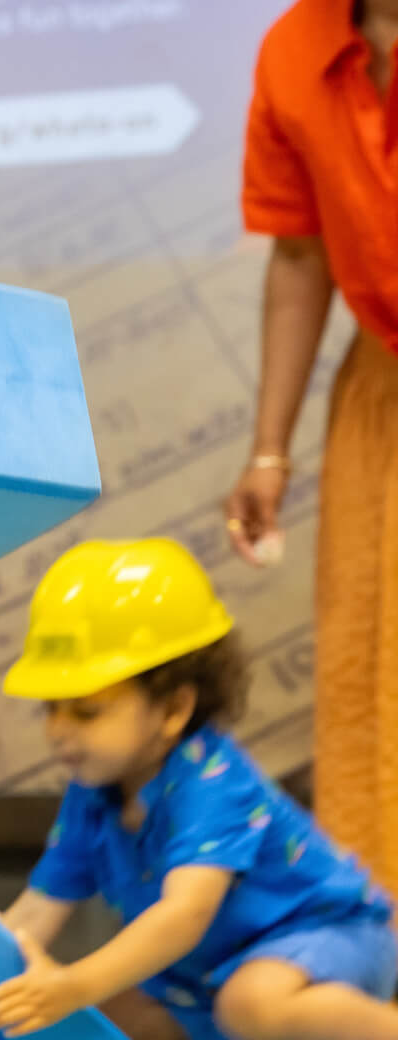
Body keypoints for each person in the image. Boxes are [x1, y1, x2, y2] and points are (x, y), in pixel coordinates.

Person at [0, 539, 398, 1040]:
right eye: (51, 708)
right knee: (96, 1030)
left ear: (173, 707)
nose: (57, 731)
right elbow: (35, 913)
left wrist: (72, 979)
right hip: (213, 972)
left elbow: (184, 915)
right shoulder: (92, 796)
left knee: (250, 1002)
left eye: (85, 709)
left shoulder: (211, 781)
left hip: (334, 935)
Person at [223, 0, 398, 889]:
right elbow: (300, 256)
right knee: (375, 685)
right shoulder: (296, 46)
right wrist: (268, 452)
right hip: (383, 390)